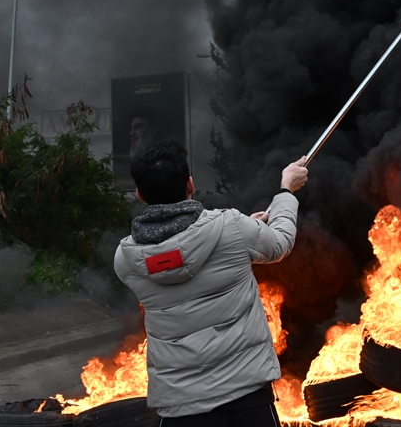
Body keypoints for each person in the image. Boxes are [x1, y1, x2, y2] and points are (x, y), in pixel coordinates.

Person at [113, 140, 309, 426]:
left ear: (140, 195)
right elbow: (279, 244)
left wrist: (244, 233)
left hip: (181, 408)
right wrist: (285, 191)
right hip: (247, 398)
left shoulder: (126, 258)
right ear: (190, 184)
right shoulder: (230, 227)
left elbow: (175, 256)